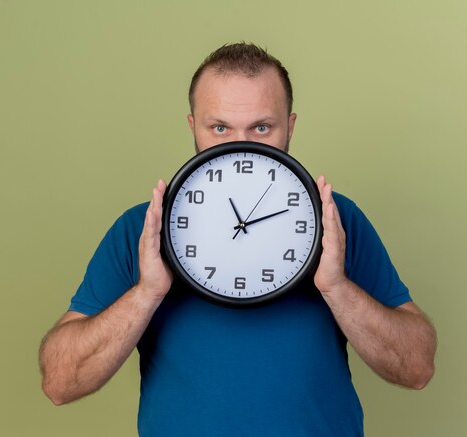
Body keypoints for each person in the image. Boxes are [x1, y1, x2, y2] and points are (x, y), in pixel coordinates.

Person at [39, 43, 437, 436]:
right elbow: (60, 382)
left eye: (261, 128)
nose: (240, 146)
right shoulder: (140, 229)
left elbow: (416, 368)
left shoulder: (335, 218)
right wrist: (147, 293)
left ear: (290, 127)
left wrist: (336, 287)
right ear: (193, 126)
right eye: (220, 128)